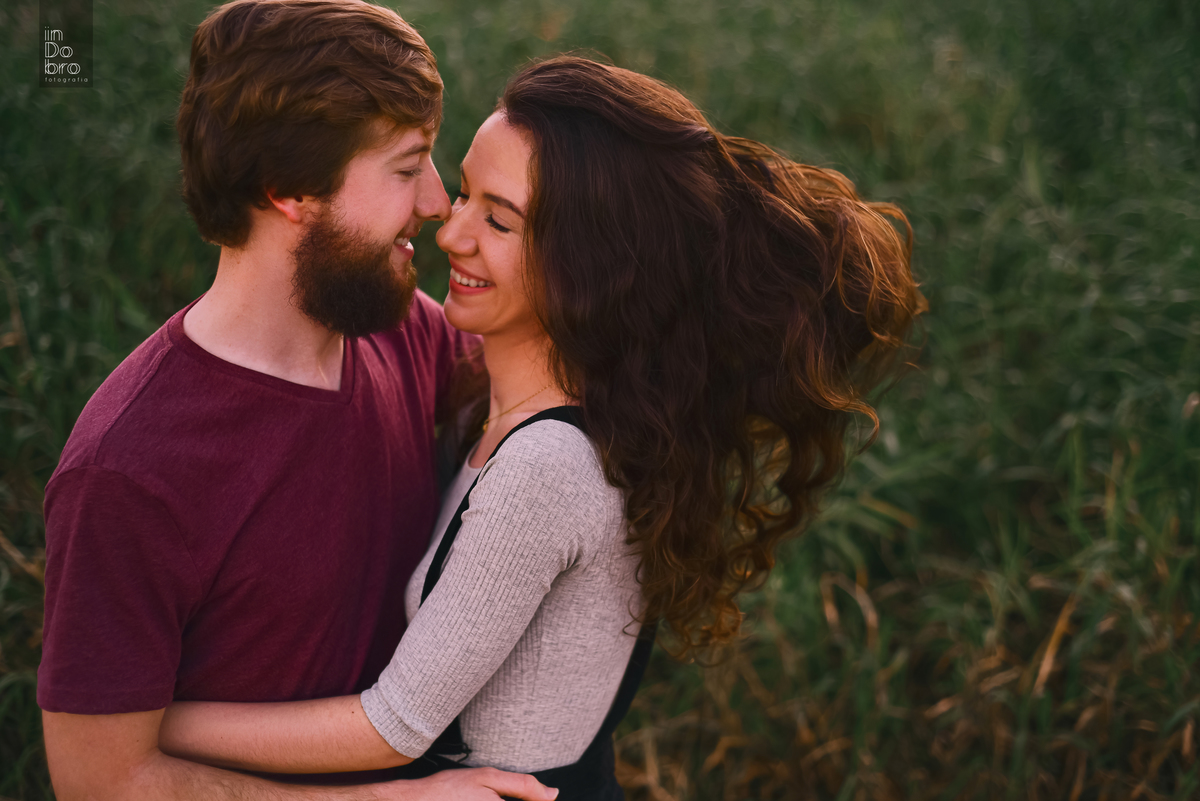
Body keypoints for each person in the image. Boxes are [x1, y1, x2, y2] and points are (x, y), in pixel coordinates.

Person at [154, 56, 926, 798]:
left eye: (498, 220)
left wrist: (155, 724)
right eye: (463, 195)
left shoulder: (546, 467)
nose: (451, 233)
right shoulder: (532, 404)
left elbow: (396, 725)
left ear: (589, 263)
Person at [36, 1, 556, 799]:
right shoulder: (128, 469)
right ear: (290, 191)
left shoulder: (404, 331)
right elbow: (100, 780)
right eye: (407, 166)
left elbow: (561, 398)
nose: (434, 202)